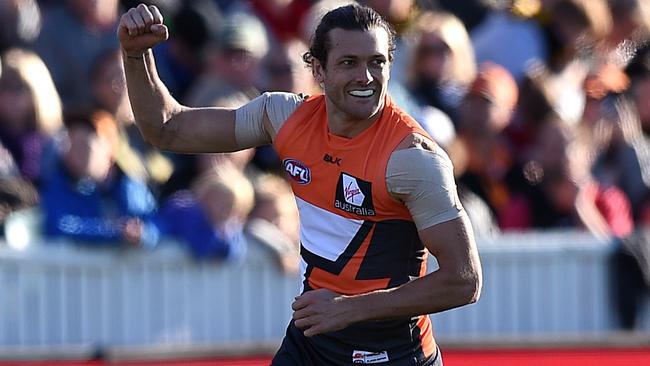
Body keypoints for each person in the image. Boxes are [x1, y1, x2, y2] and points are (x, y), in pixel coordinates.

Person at [118, 4, 482, 365]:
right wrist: (136, 56)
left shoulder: (413, 158)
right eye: (348, 62)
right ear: (318, 70)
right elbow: (166, 127)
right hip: (312, 341)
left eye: (377, 62)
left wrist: (350, 309)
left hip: (392, 353)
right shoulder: (283, 117)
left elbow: (464, 280)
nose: (366, 76)